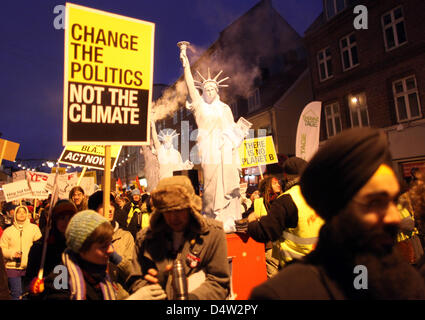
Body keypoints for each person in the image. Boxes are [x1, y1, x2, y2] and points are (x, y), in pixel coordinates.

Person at [250, 127, 425, 299]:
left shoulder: (405, 280)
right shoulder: (285, 293)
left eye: (393, 201)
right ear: (336, 208)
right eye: (375, 203)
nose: (394, 217)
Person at [179, 43, 249, 232]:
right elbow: (189, 84)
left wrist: (240, 131)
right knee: (210, 183)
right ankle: (213, 215)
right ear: (203, 91)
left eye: (212, 89)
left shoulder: (224, 108)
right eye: (206, 89)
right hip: (209, 150)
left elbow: (232, 129)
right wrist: (185, 61)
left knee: (228, 183)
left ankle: (231, 216)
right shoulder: (200, 106)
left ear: (217, 91)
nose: (209, 92)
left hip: (225, 150)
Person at [126, 175, 230, 300]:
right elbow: (135, 279)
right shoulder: (145, 238)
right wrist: (151, 287)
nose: (174, 217)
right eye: (168, 211)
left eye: (179, 210)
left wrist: (191, 298)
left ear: (191, 208)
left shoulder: (212, 234)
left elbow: (220, 282)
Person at [31, 210, 165, 300]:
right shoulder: (60, 279)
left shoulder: (99, 274)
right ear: (81, 248)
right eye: (103, 246)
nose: (110, 250)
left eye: (110, 244)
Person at [236, 157, 324, 270]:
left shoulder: (287, 199)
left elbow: (265, 231)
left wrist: (250, 224)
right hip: (324, 266)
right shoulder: (322, 194)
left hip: (296, 269)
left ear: (286, 176)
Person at [88, 190, 135, 299]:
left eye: (112, 205)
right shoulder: (86, 236)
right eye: (103, 205)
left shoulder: (125, 236)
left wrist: (116, 258)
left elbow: (133, 272)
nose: (109, 209)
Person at [24, 200, 78, 293]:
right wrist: (33, 285)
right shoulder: (41, 246)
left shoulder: (79, 247)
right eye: (62, 218)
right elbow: (28, 279)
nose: (66, 222)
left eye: (70, 218)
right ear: (55, 220)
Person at [0, 205, 42, 299]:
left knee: (28, 294)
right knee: (16, 294)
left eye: (24, 212)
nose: (22, 214)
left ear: (27, 214)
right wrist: (11, 254)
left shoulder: (34, 229)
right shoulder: (8, 231)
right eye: (19, 212)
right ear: (15, 214)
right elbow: (2, 248)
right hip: (12, 267)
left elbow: (39, 245)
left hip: (30, 267)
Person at [247, 176, 282, 278]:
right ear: (268, 187)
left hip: (283, 245)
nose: (278, 184)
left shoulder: (282, 199)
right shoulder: (259, 202)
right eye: (274, 183)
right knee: (274, 276)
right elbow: (248, 216)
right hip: (270, 245)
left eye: (278, 182)